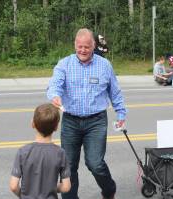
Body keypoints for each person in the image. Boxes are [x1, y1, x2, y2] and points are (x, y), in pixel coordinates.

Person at [47, 28, 127, 199]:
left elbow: (115, 92)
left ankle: (109, 189)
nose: (83, 50)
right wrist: (55, 95)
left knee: (95, 164)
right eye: (79, 46)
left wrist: (121, 113)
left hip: (96, 121)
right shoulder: (64, 64)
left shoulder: (104, 65)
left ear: (93, 46)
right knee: (68, 166)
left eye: (87, 47)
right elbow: (55, 84)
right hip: (71, 121)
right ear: (75, 45)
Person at [9, 103, 71, 199]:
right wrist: (52, 188)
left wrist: (23, 195)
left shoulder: (23, 152)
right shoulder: (60, 153)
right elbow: (66, 187)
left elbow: (13, 186)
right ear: (56, 127)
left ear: (33, 124)